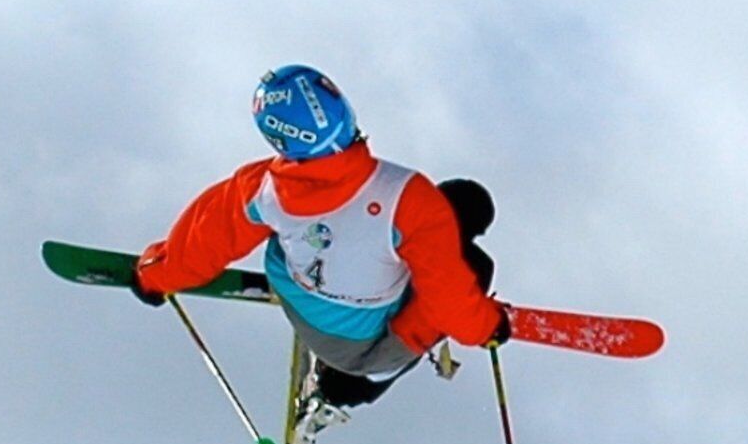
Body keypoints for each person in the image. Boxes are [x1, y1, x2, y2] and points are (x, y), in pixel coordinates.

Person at [133, 65, 507, 410]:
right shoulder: (409, 197)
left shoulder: (260, 189)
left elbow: (203, 242)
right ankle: (347, 388)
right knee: (469, 256)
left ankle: (326, 282)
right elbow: (448, 299)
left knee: (290, 228)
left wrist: (154, 276)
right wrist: (485, 326)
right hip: (360, 352)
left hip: (302, 296)